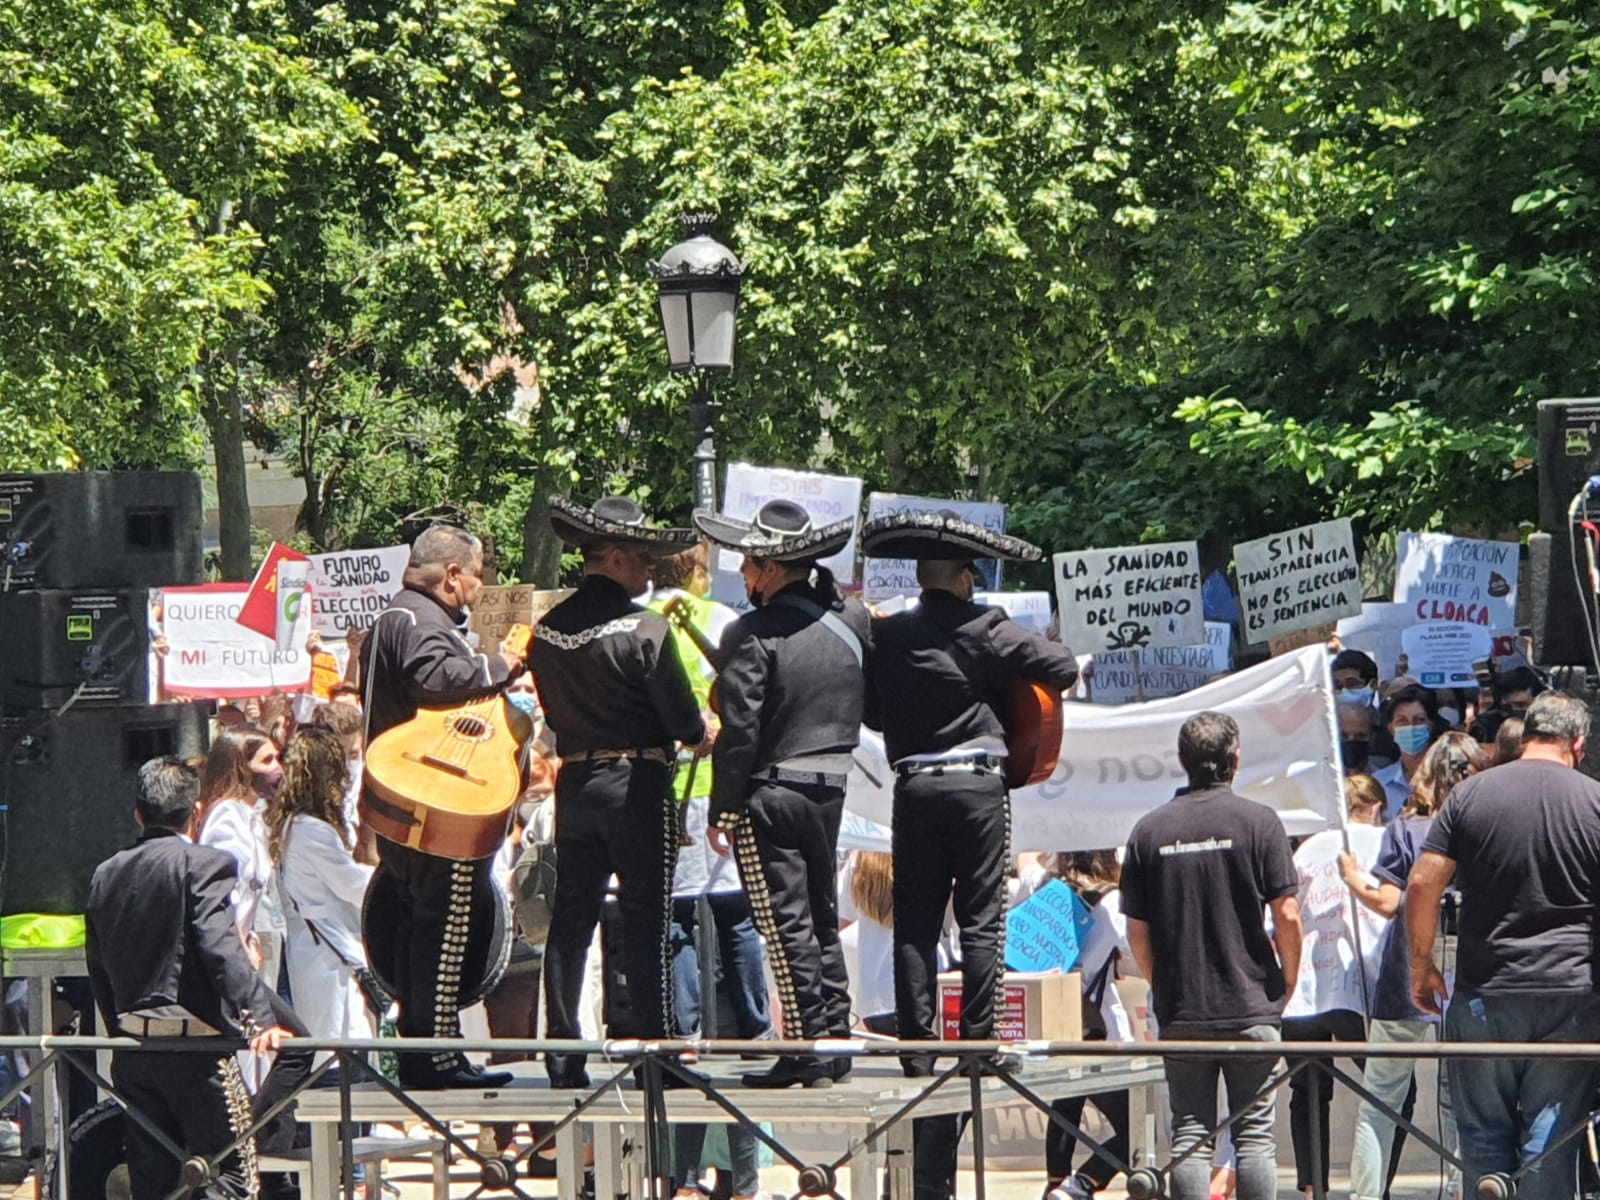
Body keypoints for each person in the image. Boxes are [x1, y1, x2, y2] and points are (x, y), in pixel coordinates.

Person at [860, 510, 1079, 1199]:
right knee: (983, 919)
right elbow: (1063, 669)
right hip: (981, 787)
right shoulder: (987, 626)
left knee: (918, 920)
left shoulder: (887, 634)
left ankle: (918, 1045)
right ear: (962, 578)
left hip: (915, 786)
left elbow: (870, 712)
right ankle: (978, 1041)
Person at [528, 496, 707, 1089]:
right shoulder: (647, 628)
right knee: (646, 916)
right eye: (643, 561)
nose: (651, 573)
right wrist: (700, 733)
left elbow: (552, 713)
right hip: (639, 783)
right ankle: (655, 1046)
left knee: (571, 918)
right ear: (616, 558)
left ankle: (562, 1050)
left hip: (576, 784)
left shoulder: (547, 631)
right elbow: (683, 720)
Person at [695, 499, 869, 1090]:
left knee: (783, 920)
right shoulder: (853, 620)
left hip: (770, 790)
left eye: (747, 561)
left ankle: (803, 1047)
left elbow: (740, 730)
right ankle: (835, 1037)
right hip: (830, 788)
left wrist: (723, 805)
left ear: (770, 567)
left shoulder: (752, 632)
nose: (742, 572)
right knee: (821, 914)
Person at [1408, 691, 1600, 1200]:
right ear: (1578, 743)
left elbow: (1423, 884)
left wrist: (1421, 964)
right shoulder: (1594, 801)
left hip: (1484, 992)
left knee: (1484, 1142)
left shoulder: (1470, 796)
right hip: (1571, 995)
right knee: (1551, 1141)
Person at [86, 757, 296, 1200]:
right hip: (197, 1050)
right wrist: (258, 1015)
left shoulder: (106, 873)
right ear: (196, 811)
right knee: (232, 1176)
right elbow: (218, 945)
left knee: (154, 1183)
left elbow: (98, 965)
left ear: (139, 814)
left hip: (136, 1050)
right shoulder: (204, 863)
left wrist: (118, 1029)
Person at [360, 523, 524, 1089]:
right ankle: (436, 1056)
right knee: (445, 924)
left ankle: (422, 1052)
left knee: (416, 921)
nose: (480, 589)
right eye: (478, 577)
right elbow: (438, 677)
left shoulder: (393, 618)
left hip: (407, 799)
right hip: (435, 800)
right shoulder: (419, 621)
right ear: (453, 575)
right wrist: (504, 665)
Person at [1120, 712, 1303, 1200]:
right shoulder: (1260, 822)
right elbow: (1288, 914)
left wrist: (1162, 982)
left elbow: (1136, 932)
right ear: (1235, 760)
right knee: (1255, 1137)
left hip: (1183, 1007)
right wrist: (1288, 978)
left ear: (1182, 762)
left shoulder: (1148, 831)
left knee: (1191, 1135)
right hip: (1251, 1001)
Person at [1339, 732, 1482, 1200]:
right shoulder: (1483, 829)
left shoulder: (1406, 829)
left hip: (1405, 975)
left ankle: (1364, 1195)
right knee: (1463, 1102)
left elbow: (1388, 901)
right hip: (1467, 979)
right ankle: (1463, 1190)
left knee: (1380, 1100)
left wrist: (1352, 879)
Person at [269, 725, 377, 1058]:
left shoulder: (290, 824)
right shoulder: (313, 830)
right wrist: (388, 875)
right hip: (331, 953)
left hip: (314, 948)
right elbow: (351, 884)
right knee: (344, 1050)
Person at [198, 728, 288, 996]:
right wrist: (238, 945)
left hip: (245, 951)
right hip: (227, 959)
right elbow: (224, 894)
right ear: (241, 767)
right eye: (267, 760)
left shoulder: (251, 817)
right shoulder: (226, 816)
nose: (279, 769)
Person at [1370, 685, 1436, 818]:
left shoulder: (1443, 779)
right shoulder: (1379, 783)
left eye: (1419, 720)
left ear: (1430, 725)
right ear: (1391, 729)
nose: (1411, 727)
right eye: (1402, 721)